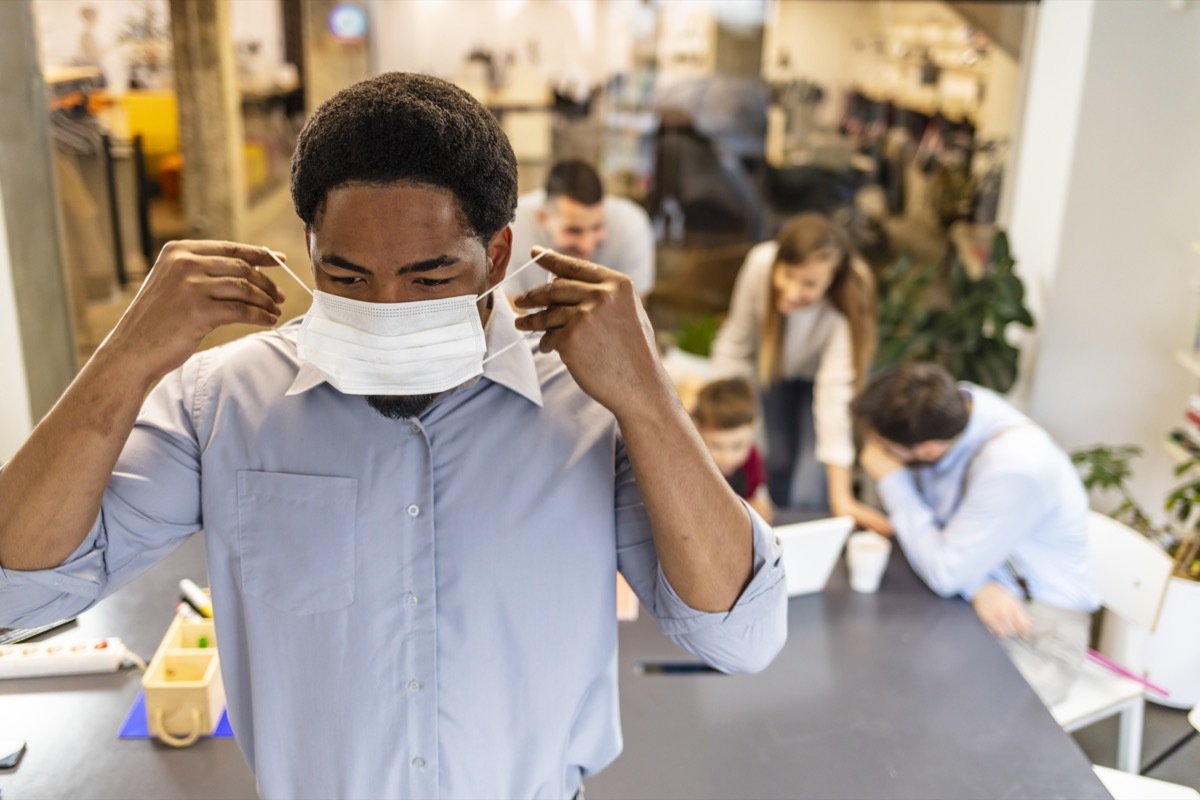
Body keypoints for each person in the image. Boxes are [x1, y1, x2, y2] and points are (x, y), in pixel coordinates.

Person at [0, 73, 786, 799]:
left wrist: (648, 399)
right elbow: (19, 587)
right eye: (347, 278)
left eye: (429, 278)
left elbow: (741, 635)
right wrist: (125, 359)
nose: (386, 309)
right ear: (309, 248)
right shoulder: (225, 403)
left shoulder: (589, 405)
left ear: (497, 254)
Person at [852, 363, 1099, 706]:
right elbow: (947, 557)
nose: (874, 454)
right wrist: (977, 584)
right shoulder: (954, 408)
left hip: (1036, 629)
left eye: (884, 448)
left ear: (928, 450)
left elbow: (943, 571)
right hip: (979, 596)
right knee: (871, 667)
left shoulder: (1015, 467)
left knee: (933, 708)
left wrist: (893, 481)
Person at [709, 213, 890, 534]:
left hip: (827, 381)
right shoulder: (759, 265)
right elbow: (736, 343)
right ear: (778, 261)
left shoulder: (851, 292)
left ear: (832, 280)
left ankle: (807, 548)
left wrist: (842, 499)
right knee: (777, 459)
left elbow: (834, 397)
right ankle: (774, 546)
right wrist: (717, 412)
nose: (792, 292)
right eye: (788, 275)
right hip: (778, 370)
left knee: (811, 476)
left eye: (809, 284)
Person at [505, 159, 655, 296]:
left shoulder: (631, 225)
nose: (587, 245)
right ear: (543, 217)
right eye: (573, 231)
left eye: (597, 227)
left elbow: (634, 316)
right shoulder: (511, 226)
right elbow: (507, 312)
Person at [691, 377, 774, 524]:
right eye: (716, 445)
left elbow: (760, 506)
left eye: (737, 446)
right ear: (697, 428)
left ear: (754, 427)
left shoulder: (753, 458)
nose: (727, 458)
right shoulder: (692, 465)